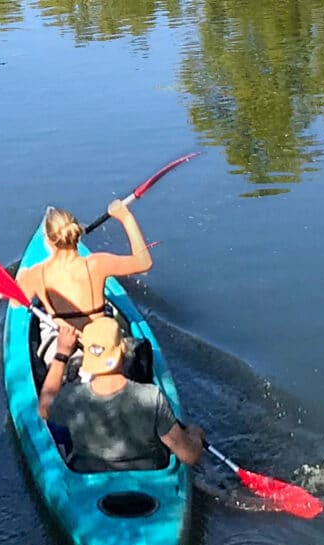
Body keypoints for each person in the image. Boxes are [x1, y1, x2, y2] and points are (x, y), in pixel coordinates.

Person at [38, 317, 204, 473]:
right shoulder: (151, 398)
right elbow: (189, 456)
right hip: (148, 475)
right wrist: (196, 435)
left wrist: (62, 354)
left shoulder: (72, 398)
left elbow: (44, 408)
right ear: (124, 350)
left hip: (91, 475)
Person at [15, 200, 153, 362]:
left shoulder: (37, 274)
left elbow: (15, 303)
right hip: (104, 343)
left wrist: (22, 275)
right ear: (76, 234)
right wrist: (125, 217)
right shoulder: (97, 264)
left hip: (66, 347)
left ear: (48, 240)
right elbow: (144, 263)